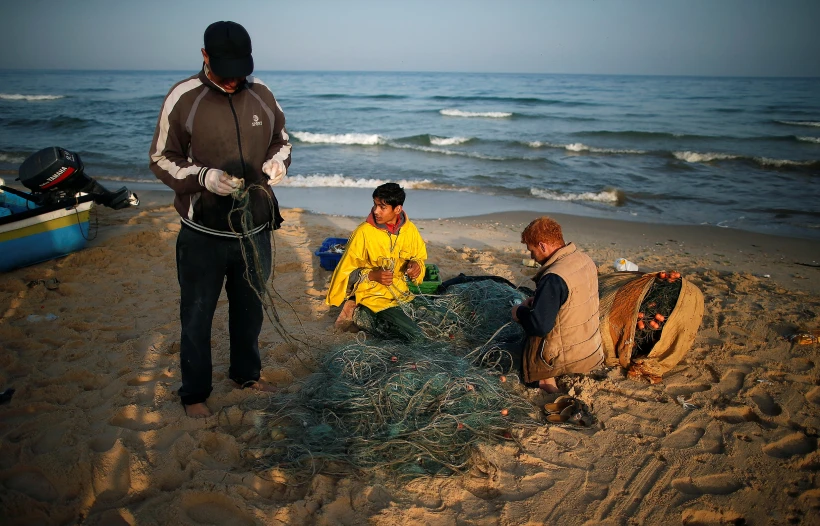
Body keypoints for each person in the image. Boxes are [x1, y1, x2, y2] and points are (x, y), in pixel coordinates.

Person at [149, 21, 292, 418]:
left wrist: (278, 161)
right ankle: (194, 393)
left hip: (255, 229)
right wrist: (203, 177)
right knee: (196, 315)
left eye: (240, 70)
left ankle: (246, 375)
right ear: (204, 56)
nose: (233, 80)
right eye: (224, 70)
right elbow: (161, 158)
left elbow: (282, 139)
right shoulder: (184, 97)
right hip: (203, 234)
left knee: (250, 310)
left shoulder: (261, 92)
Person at [511, 216, 603, 393]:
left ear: (543, 246)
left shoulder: (553, 277)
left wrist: (520, 311)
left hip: (569, 359)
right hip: (592, 351)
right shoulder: (585, 260)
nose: (532, 256)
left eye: (532, 250)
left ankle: (546, 381)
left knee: (517, 344)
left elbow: (539, 327)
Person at [325, 183, 428, 341]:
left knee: (437, 318)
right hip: (371, 297)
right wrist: (372, 275)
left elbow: (419, 257)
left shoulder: (410, 230)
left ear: (397, 209)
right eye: (375, 204)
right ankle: (359, 312)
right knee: (413, 335)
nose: (375, 210)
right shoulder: (363, 233)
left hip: (402, 294)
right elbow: (343, 275)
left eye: (382, 207)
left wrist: (416, 266)